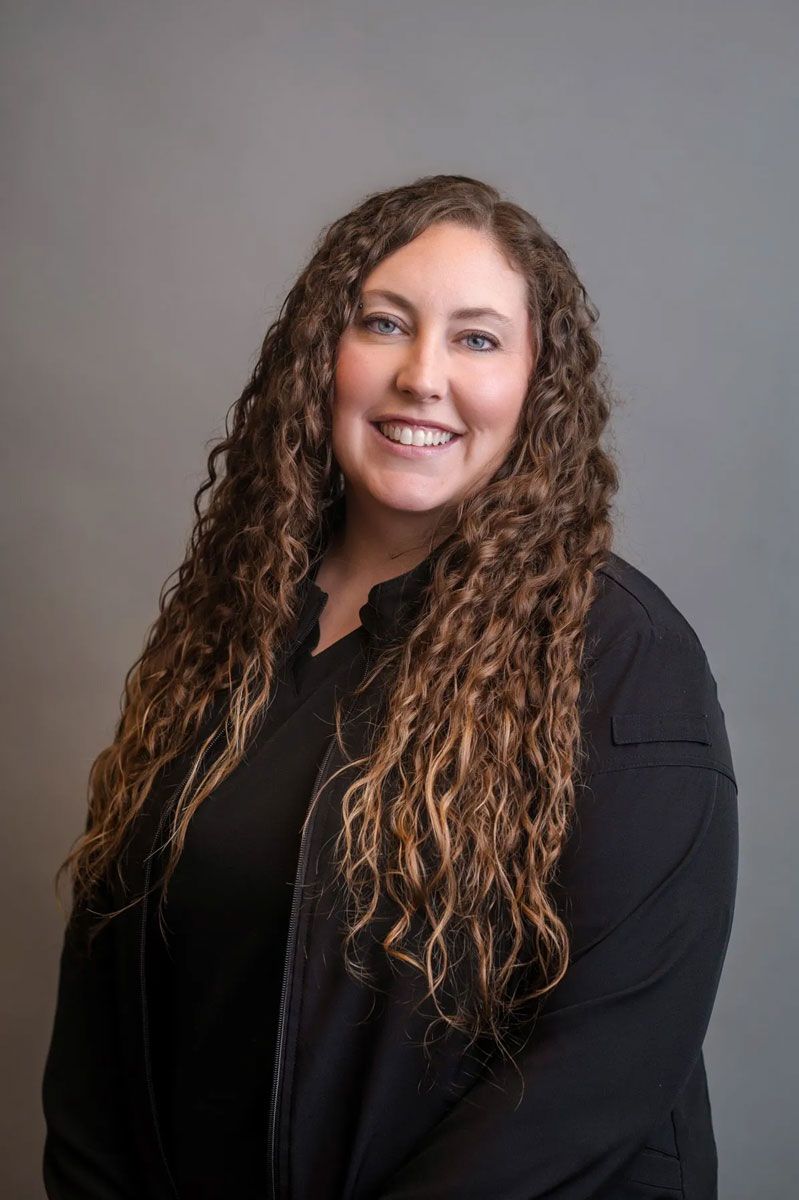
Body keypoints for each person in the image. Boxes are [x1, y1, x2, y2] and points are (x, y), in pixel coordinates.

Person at [41, 173, 738, 1200]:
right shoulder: (225, 629)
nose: (422, 375)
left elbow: (603, 1066)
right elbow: (104, 999)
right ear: (323, 356)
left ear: (537, 383)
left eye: (477, 338)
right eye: (384, 324)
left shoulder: (619, 654)